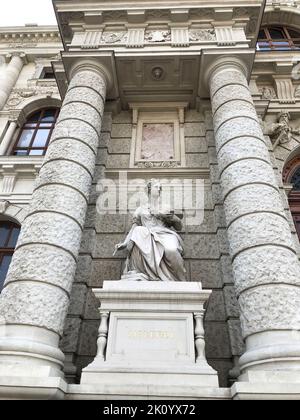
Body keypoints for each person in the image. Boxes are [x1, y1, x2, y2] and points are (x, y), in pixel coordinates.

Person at [114, 179, 186, 281]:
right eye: (156, 187)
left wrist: (165, 216)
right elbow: (134, 228)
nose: (159, 189)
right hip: (147, 236)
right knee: (139, 231)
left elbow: (179, 226)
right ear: (149, 189)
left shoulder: (166, 207)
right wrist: (125, 243)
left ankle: (180, 279)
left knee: (172, 250)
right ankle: (142, 273)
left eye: (160, 187)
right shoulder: (140, 210)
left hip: (164, 233)